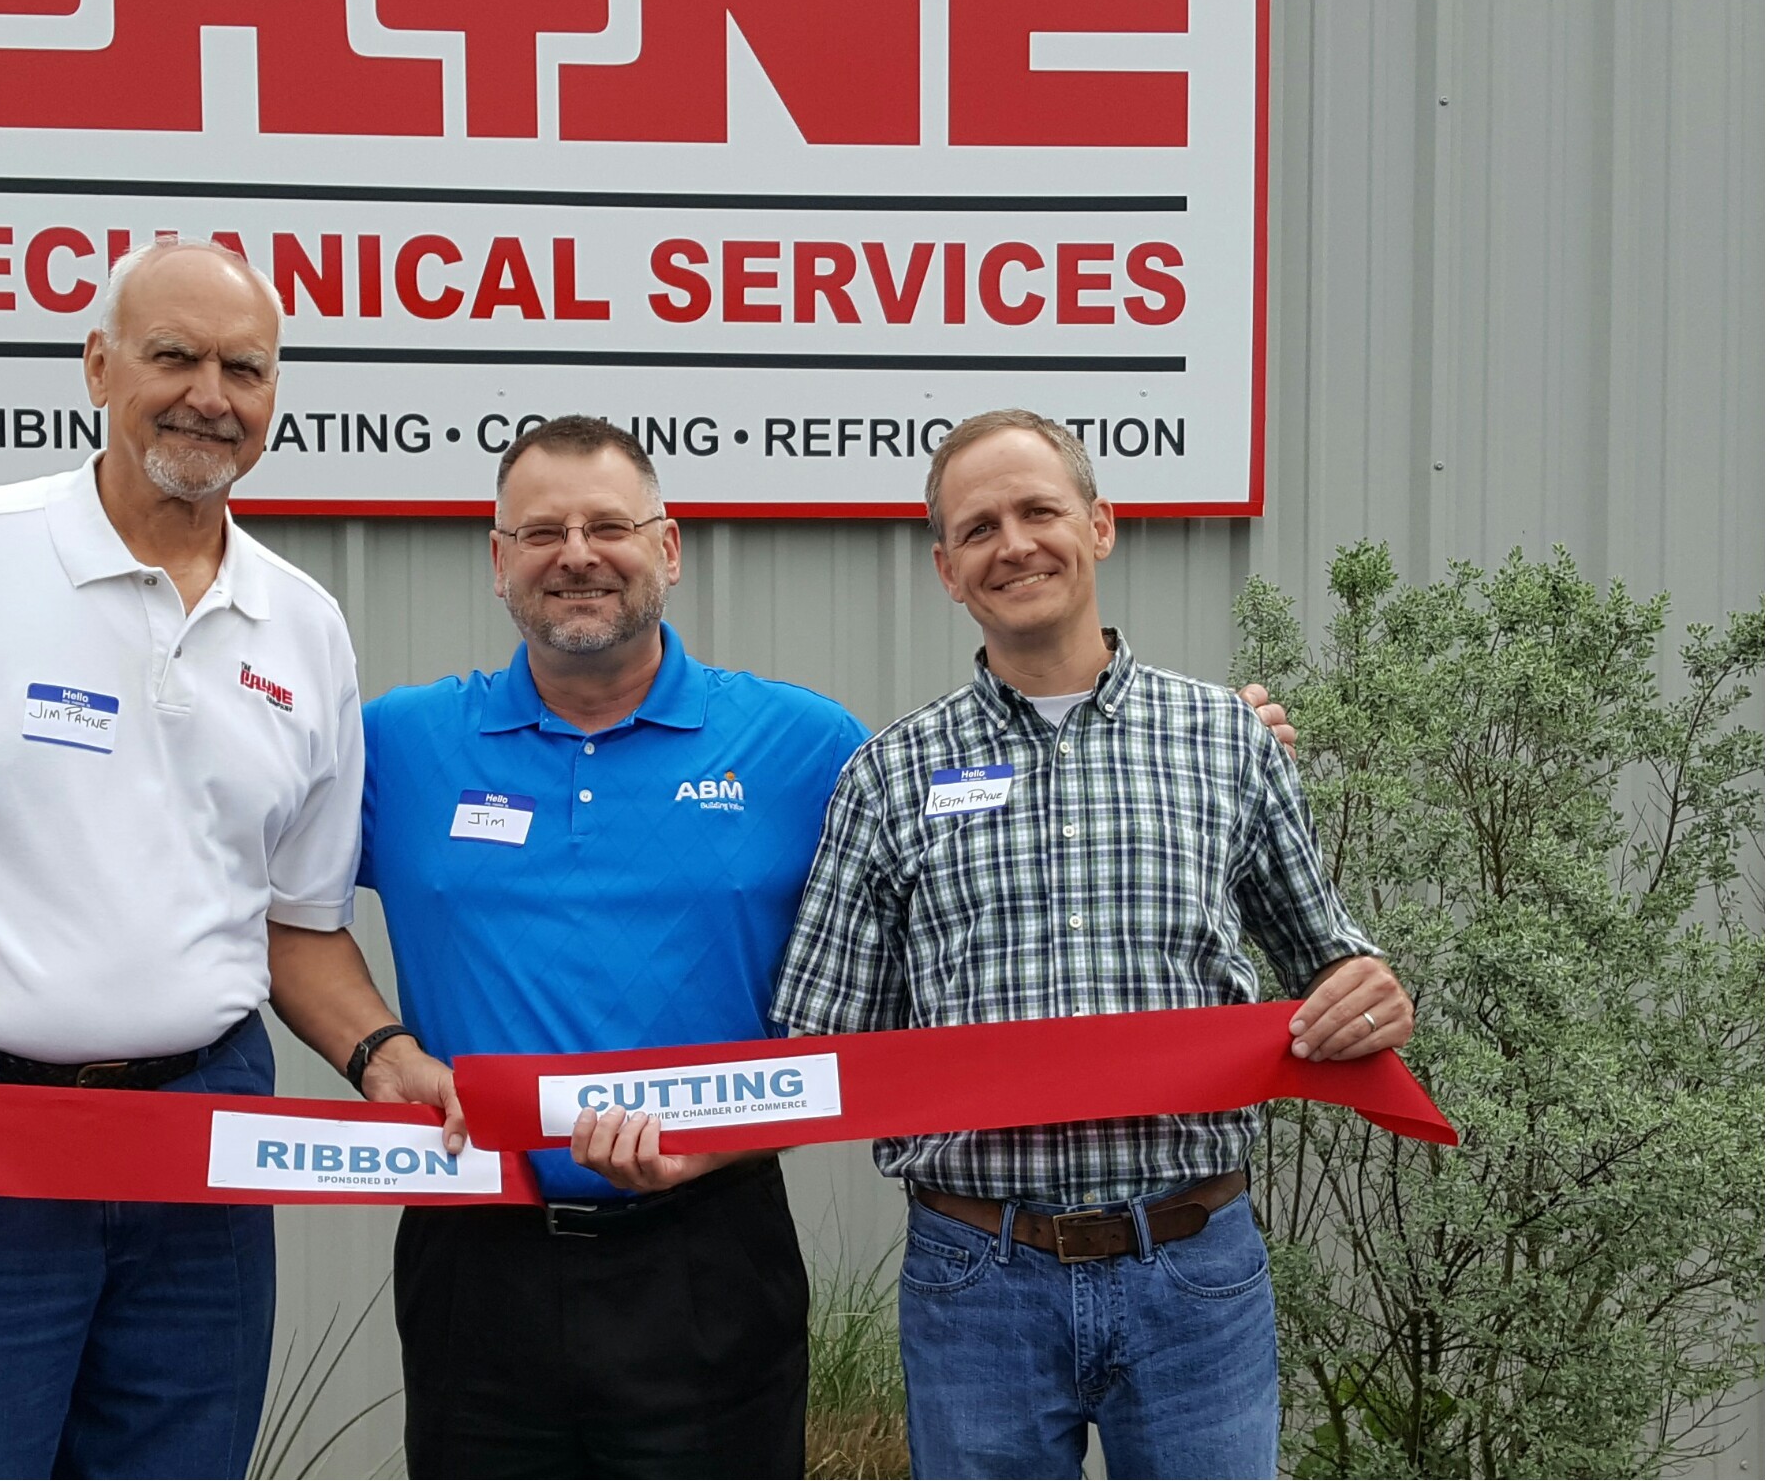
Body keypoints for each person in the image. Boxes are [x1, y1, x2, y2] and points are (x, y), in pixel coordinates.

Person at [357, 415, 1301, 1480]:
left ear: (665, 547)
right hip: (476, 1247)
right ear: (498, 560)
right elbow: (265, 892)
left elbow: (986, 818)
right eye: (542, 532)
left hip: (709, 1246)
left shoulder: (808, 745)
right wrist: (376, 1048)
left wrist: (1201, 740)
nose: (577, 553)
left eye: (609, 525)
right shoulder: (397, 741)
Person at [0, 239, 457, 1480]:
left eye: (245, 367)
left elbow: (293, 921)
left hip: (204, 1134)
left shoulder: (303, 625)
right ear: (95, 366)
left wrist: (378, 1054)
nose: (209, 395)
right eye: (173, 356)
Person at [771, 409, 1415, 1481]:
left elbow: (1331, 958)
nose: (1011, 543)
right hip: (976, 1273)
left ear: (1100, 524)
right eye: (977, 528)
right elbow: (812, 1036)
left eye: (1037, 510)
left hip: (1193, 1270)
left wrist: (1368, 990)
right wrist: (666, 1113)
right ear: (945, 568)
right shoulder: (885, 778)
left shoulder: (1223, 742)